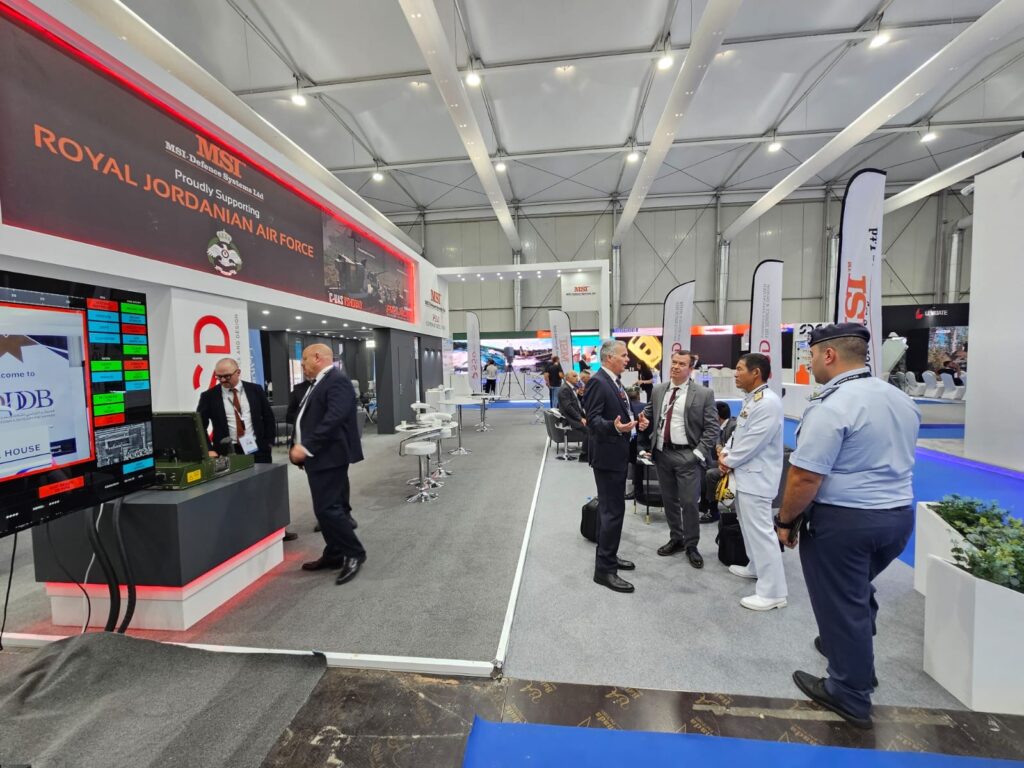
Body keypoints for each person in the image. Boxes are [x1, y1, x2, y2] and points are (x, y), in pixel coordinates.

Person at [775, 323, 920, 729]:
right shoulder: (899, 399)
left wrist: (786, 520)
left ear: (829, 355)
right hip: (897, 517)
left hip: (845, 522)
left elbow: (806, 476)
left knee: (840, 602)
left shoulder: (834, 405)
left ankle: (850, 692)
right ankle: (854, 655)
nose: (809, 363)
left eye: (811, 355)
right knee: (855, 592)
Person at [290, 344, 367, 586]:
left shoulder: (337, 380)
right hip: (318, 457)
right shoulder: (319, 383)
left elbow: (334, 418)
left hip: (329, 456)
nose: (302, 365)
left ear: (317, 357)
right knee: (324, 510)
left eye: (304, 359)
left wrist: (306, 446)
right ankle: (334, 554)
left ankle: (354, 553)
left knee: (329, 509)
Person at [197, 358, 297, 542]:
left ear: (238, 372)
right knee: (235, 494)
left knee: (266, 490)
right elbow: (199, 426)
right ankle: (243, 534)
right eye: (219, 377)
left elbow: (268, 417)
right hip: (228, 451)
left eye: (227, 376)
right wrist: (209, 449)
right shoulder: (209, 396)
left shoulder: (255, 390)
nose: (223, 380)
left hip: (257, 449)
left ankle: (275, 530)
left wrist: (268, 442)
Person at [718, 353, 787, 611]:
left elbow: (754, 441)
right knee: (748, 527)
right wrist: (726, 451)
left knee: (761, 532)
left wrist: (728, 460)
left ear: (755, 373)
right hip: (745, 475)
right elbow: (739, 434)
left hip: (758, 478)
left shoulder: (768, 403)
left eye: (739, 369)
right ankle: (756, 566)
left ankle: (773, 592)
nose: (735, 374)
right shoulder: (753, 399)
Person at [638, 350, 719, 569]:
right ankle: (677, 538)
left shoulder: (703, 394)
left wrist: (697, 454)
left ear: (690, 368)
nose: (675, 366)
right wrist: (643, 422)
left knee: (689, 502)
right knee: (669, 500)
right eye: (673, 362)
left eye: (681, 364)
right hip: (662, 453)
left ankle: (692, 545)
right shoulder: (659, 390)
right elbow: (648, 414)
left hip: (687, 455)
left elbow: (712, 428)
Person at [583, 339, 638, 593]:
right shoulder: (598, 382)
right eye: (623, 355)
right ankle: (604, 570)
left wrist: (635, 422)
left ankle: (609, 556)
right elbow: (593, 420)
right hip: (607, 458)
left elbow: (619, 412)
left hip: (616, 454)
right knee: (611, 513)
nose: (627, 359)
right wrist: (615, 427)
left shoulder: (613, 381)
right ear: (609, 358)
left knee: (613, 511)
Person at [699, 402, 737, 523]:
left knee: (710, 474)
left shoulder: (733, 426)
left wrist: (723, 455)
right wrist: (719, 447)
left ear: (716, 415)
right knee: (703, 465)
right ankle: (704, 503)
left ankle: (713, 511)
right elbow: (718, 440)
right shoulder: (722, 426)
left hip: (733, 466)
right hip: (724, 461)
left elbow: (735, 450)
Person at [557, 369, 589, 462]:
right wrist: (580, 418)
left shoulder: (571, 388)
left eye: (577, 376)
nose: (577, 378)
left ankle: (590, 452)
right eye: (574, 376)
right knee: (588, 430)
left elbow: (576, 403)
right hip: (569, 418)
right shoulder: (565, 389)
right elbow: (568, 407)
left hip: (576, 416)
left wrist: (580, 395)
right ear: (567, 378)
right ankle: (584, 456)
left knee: (594, 425)